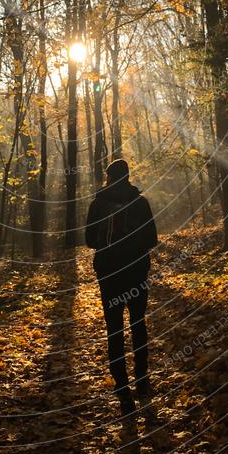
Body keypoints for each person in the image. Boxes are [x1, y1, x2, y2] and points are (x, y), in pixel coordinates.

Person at [85, 158, 158, 414]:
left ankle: (122, 389)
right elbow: (152, 239)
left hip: (109, 274)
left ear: (108, 177)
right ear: (127, 176)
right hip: (136, 272)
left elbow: (89, 241)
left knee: (114, 329)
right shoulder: (141, 203)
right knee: (138, 323)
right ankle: (143, 380)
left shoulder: (97, 204)